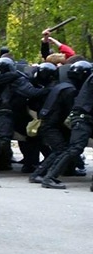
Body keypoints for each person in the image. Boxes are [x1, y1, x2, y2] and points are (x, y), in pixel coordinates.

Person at [41, 62, 93, 190]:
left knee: (74, 148)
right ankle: (49, 177)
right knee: (75, 148)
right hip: (83, 118)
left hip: (84, 117)